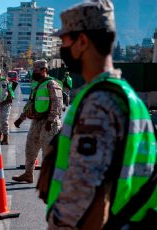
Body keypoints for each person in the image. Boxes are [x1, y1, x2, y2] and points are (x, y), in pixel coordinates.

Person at [45, 0, 157, 229]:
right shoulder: (129, 97)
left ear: (83, 41)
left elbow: (83, 194)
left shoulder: (100, 103)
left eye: (65, 40)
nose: (62, 47)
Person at [12, 60, 63, 183]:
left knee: (48, 152)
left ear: (44, 70)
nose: (34, 73)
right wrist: (21, 118)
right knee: (30, 149)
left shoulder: (51, 84)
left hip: (49, 123)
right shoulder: (37, 85)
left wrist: (50, 121)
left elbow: (57, 103)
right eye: (33, 70)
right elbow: (31, 104)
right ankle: (28, 174)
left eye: (36, 70)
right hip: (37, 122)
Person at [0, 68, 15, 145]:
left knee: (4, 121)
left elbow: (5, 94)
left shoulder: (3, 81)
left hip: (5, 103)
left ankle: (5, 139)